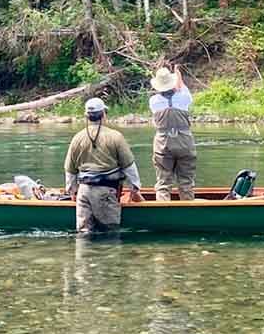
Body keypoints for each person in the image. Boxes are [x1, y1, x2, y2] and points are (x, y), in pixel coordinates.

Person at [64, 97, 143, 233]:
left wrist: (72, 190)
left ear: (86, 116)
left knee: (84, 235)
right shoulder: (115, 137)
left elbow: (70, 169)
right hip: (106, 193)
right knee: (110, 234)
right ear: (104, 114)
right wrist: (135, 187)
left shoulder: (77, 138)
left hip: (84, 192)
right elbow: (128, 166)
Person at [148, 66, 196, 201]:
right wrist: (178, 75)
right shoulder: (184, 96)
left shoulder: (153, 101)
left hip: (163, 143)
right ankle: (188, 211)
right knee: (186, 183)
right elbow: (181, 87)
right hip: (184, 142)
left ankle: (162, 211)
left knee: (163, 183)